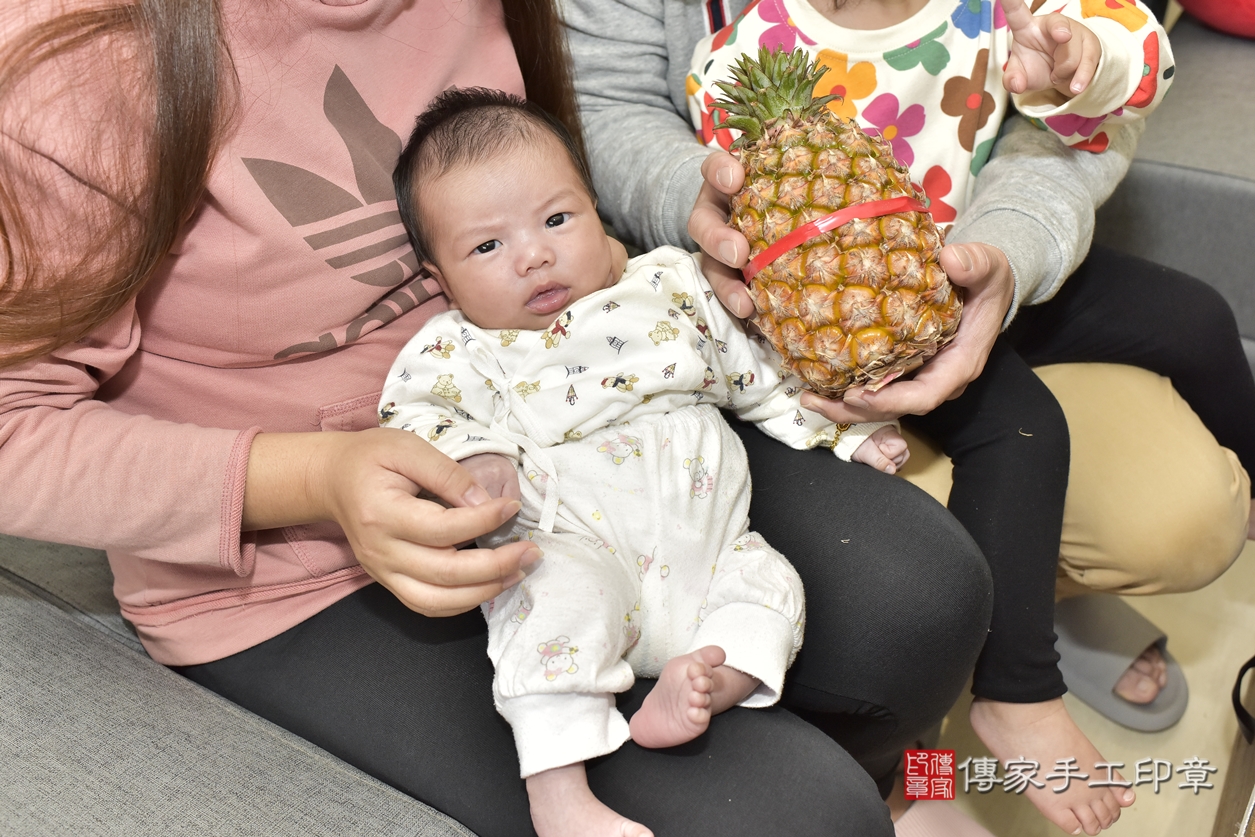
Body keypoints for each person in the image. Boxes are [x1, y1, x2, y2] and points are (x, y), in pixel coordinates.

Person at [0, 2, 992, 836]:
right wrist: (319, 479)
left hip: (577, 409)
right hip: (297, 567)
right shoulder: (76, 62)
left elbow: (565, 154)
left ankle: (908, 787)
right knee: (796, 816)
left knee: (930, 592)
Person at [563, 0, 1253, 830]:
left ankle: (1041, 605)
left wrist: (1082, 64)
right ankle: (991, 707)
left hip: (973, 246)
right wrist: (704, 204)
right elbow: (611, 108)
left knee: (1198, 318)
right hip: (808, 316)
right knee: (957, 534)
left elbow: (1121, 57)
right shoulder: (747, 47)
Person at [384, 86, 920, 837]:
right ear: (439, 278)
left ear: (596, 208)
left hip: (711, 549)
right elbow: (412, 417)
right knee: (548, 608)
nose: (533, 254)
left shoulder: (666, 285)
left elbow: (756, 370)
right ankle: (560, 796)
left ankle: (704, 679)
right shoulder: (458, 347)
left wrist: (841, 434)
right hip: (576, 550)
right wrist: (475, 452)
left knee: (770, 586)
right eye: (486, 246)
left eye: (556, 219)